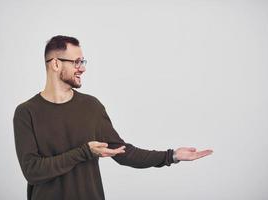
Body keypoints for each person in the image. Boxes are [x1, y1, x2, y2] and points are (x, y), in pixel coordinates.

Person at [13, 35, 213, 200]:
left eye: (82, 62)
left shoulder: (91, 106)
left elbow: (123, 153)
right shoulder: (26, 112)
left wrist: (172, 156)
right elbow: (33, 171)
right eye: (76, 62)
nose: (82, 68)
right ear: (55, 64)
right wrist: (84, 152)